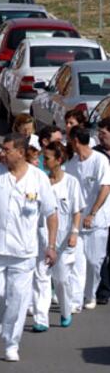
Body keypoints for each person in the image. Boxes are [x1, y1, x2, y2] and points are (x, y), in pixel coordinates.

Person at [0, 133, 58, 362]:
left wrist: (51, 245)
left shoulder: (38, 178)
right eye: (2, 149)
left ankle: (11, 343)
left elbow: (51, 213)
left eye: (7, 150)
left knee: (17, 299)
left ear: (20, 152)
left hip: (24, 252)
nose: (2, 153)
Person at [32, 141, 85, 331]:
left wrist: (74, 232)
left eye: (47, 158)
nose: (43, 161)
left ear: (59, 159)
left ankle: (65, 310)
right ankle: (41, 319)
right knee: (41, 276)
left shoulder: (71, 182)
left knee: (61, 280)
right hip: (42, 235)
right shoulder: (40, 180)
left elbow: (77, 211)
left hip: (63, 238)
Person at [66, 125, 110, 312]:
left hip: (97, 221)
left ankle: (90, 294)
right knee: (77, 261)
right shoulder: (71, 164)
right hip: (76, 222)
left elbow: (105, 187)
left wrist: (92, 213)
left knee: (94, 261)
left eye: (70, 139)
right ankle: (77, 298)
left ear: (76, 141)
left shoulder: (100, 160)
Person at [94, 117, 110, 305]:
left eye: (103, 133)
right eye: (98, 133)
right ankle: (102, 291)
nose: (99, 137)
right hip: (102, 209)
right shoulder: (96, 154)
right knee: (101, 254)